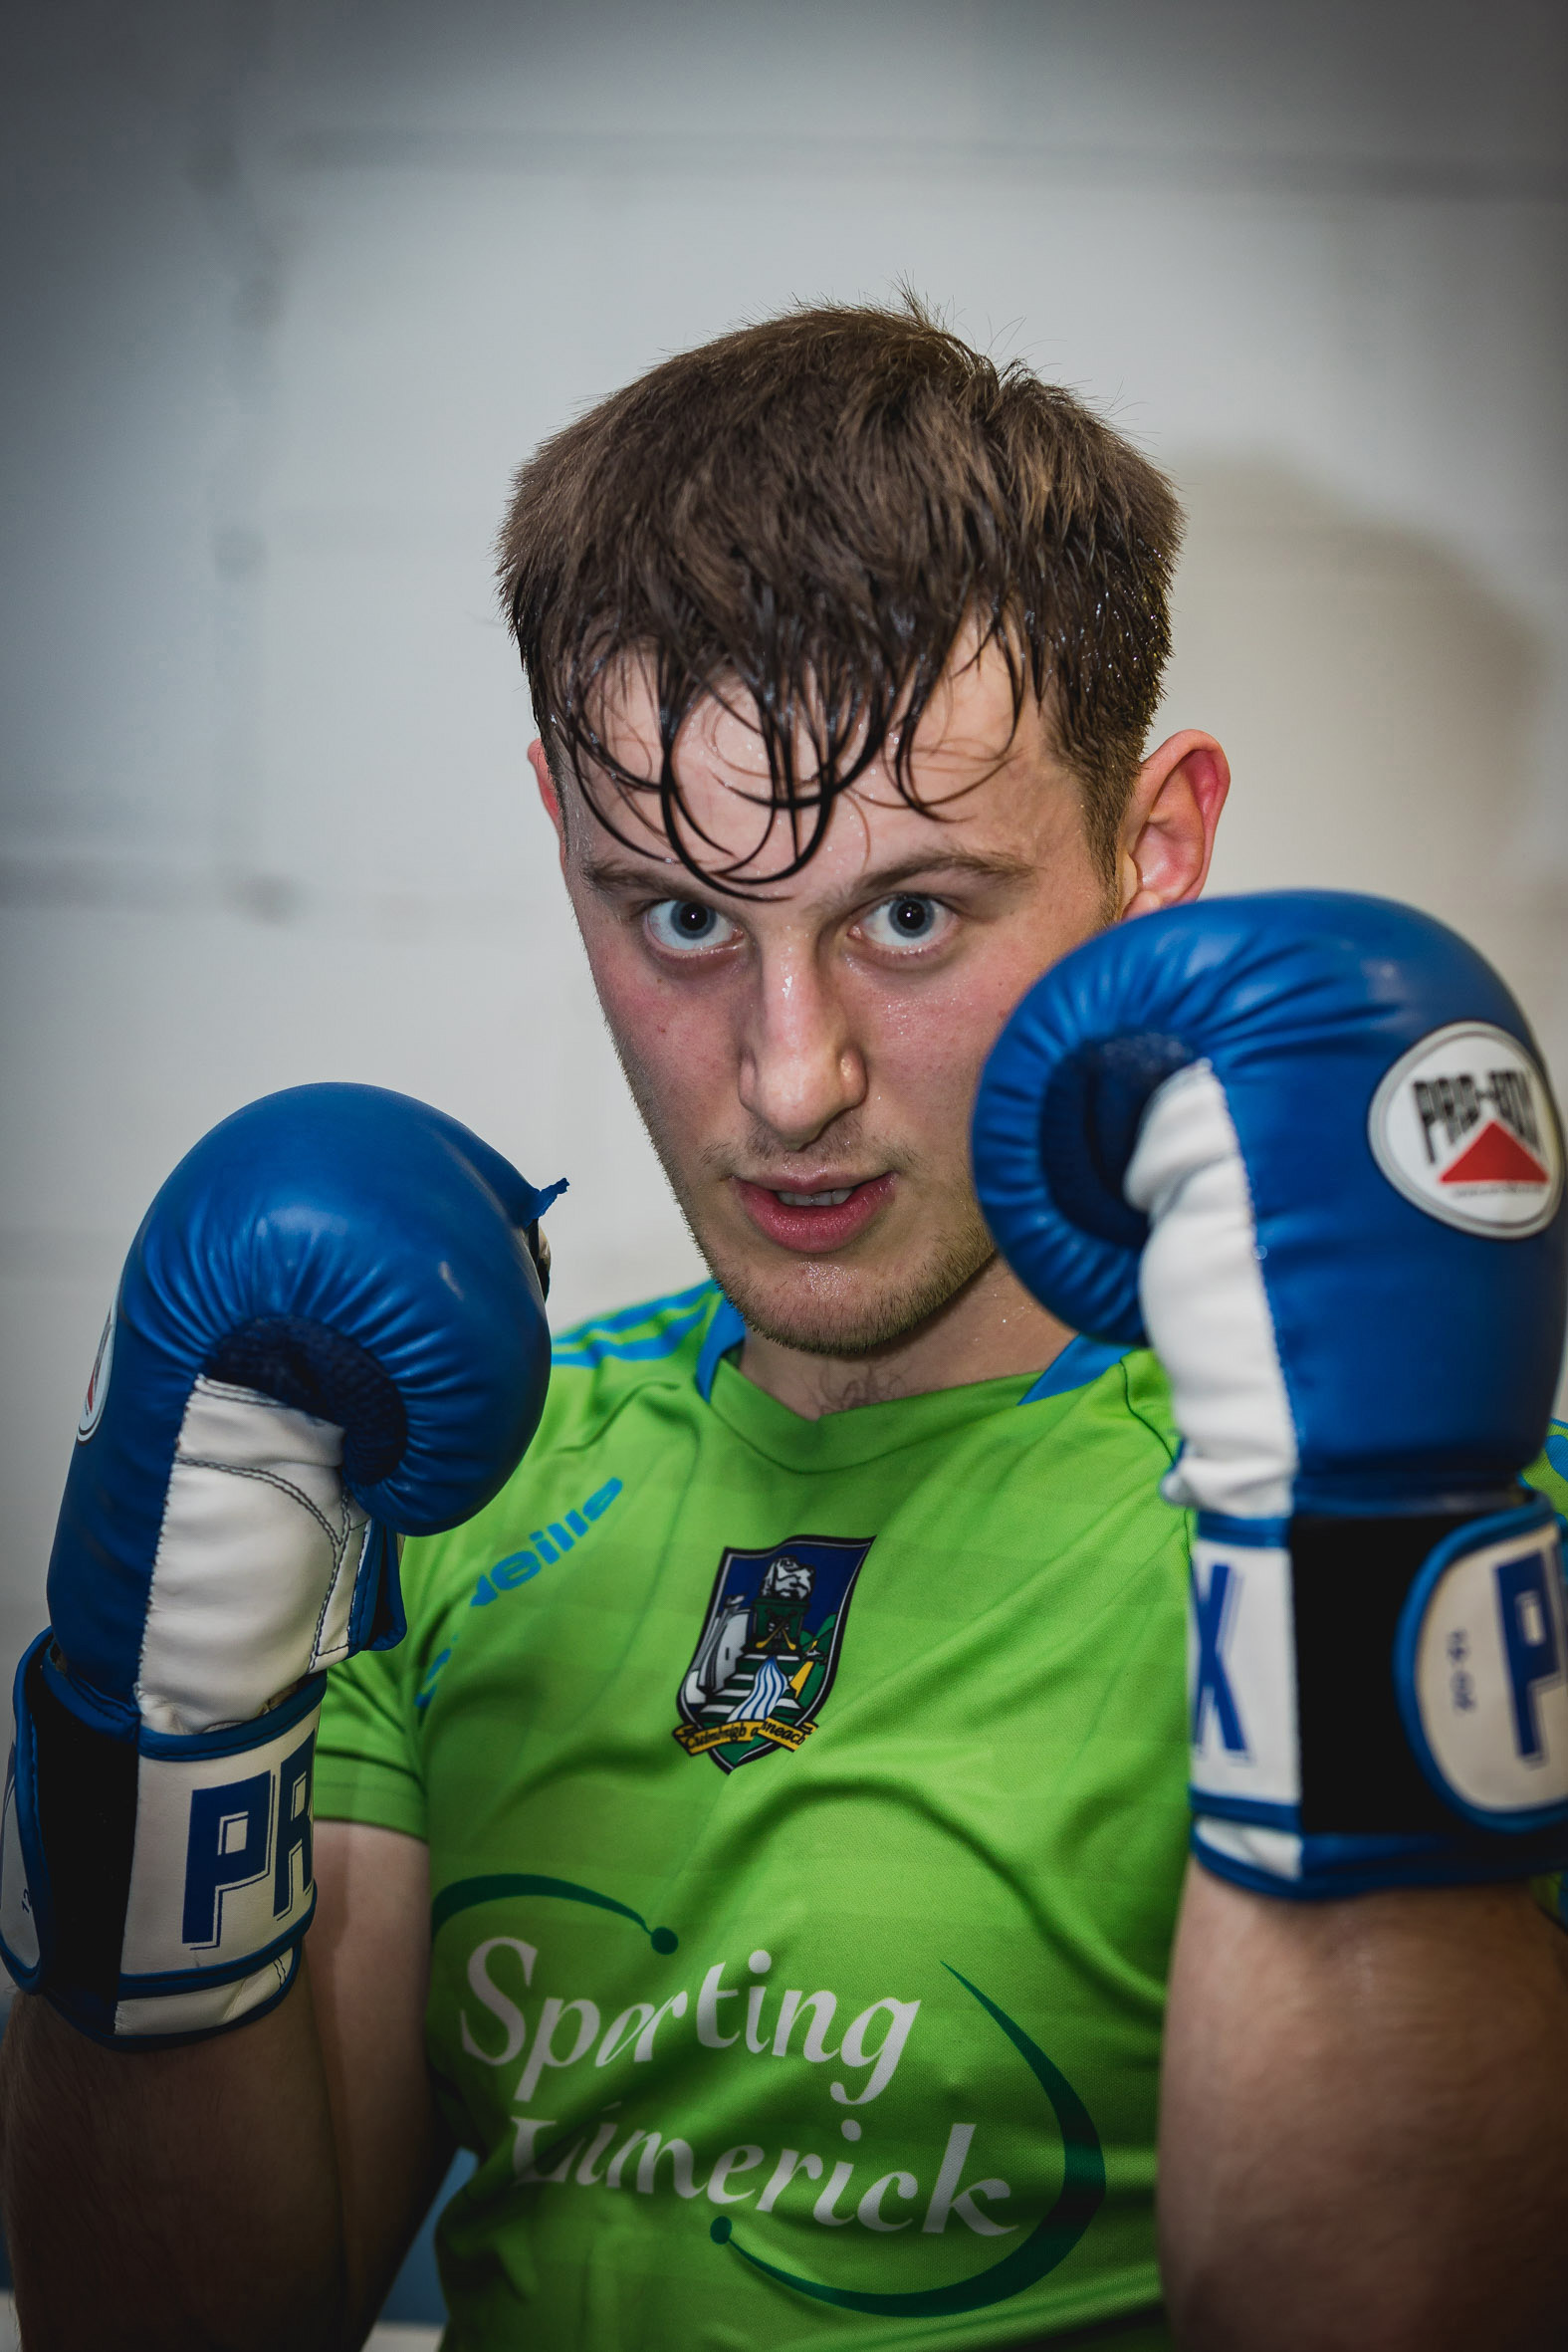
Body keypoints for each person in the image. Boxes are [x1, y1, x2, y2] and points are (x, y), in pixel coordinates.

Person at [5, 302, 1568, 2352]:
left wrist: (1354, 1551)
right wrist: (159, 1716)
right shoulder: (452, 1474)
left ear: (1150, 853)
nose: (787, 1075)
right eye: (676, 914)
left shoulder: (1419, 1527)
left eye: (906, 912)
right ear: (560, 817)